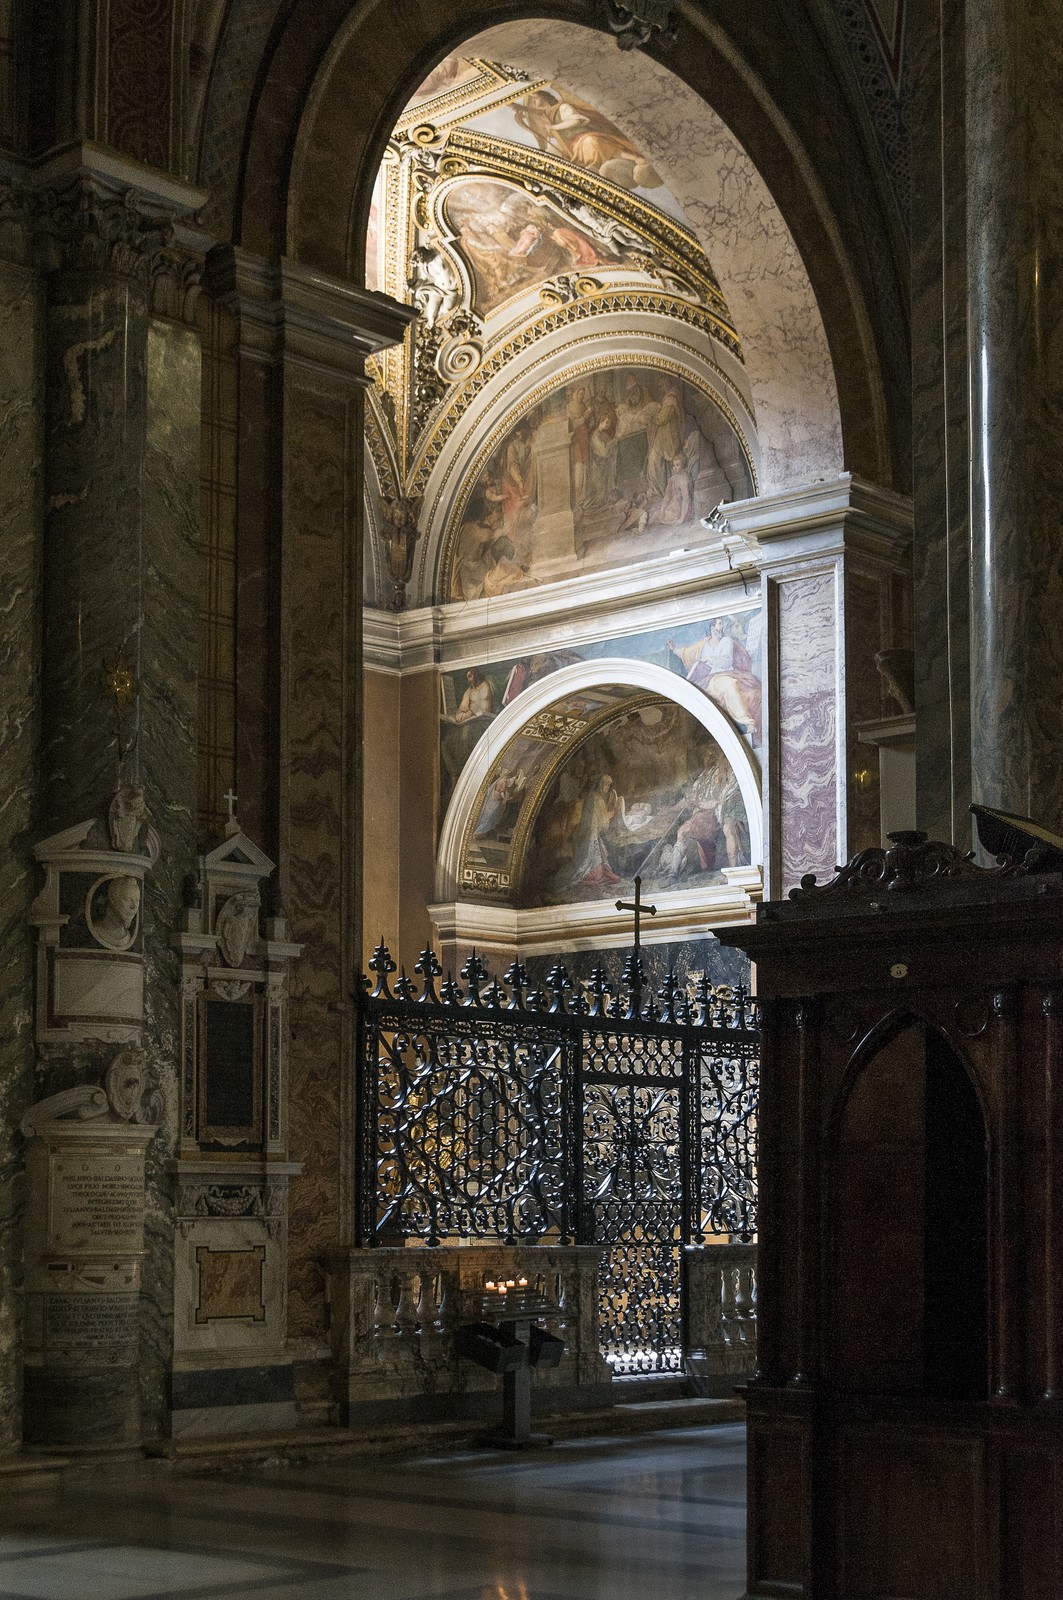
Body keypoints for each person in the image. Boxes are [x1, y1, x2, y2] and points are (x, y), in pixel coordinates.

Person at [669, 617, 763, 740]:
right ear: (712, 628)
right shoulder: (704, 644)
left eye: (722, 625)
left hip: (727, 674)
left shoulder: (726, 641)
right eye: (719, 624)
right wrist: (674, 649)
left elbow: (726, 661)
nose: (722, 627)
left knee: (730, 684)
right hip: (710, 679)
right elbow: (687, 653)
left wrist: (711, 659)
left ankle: (748, 721)